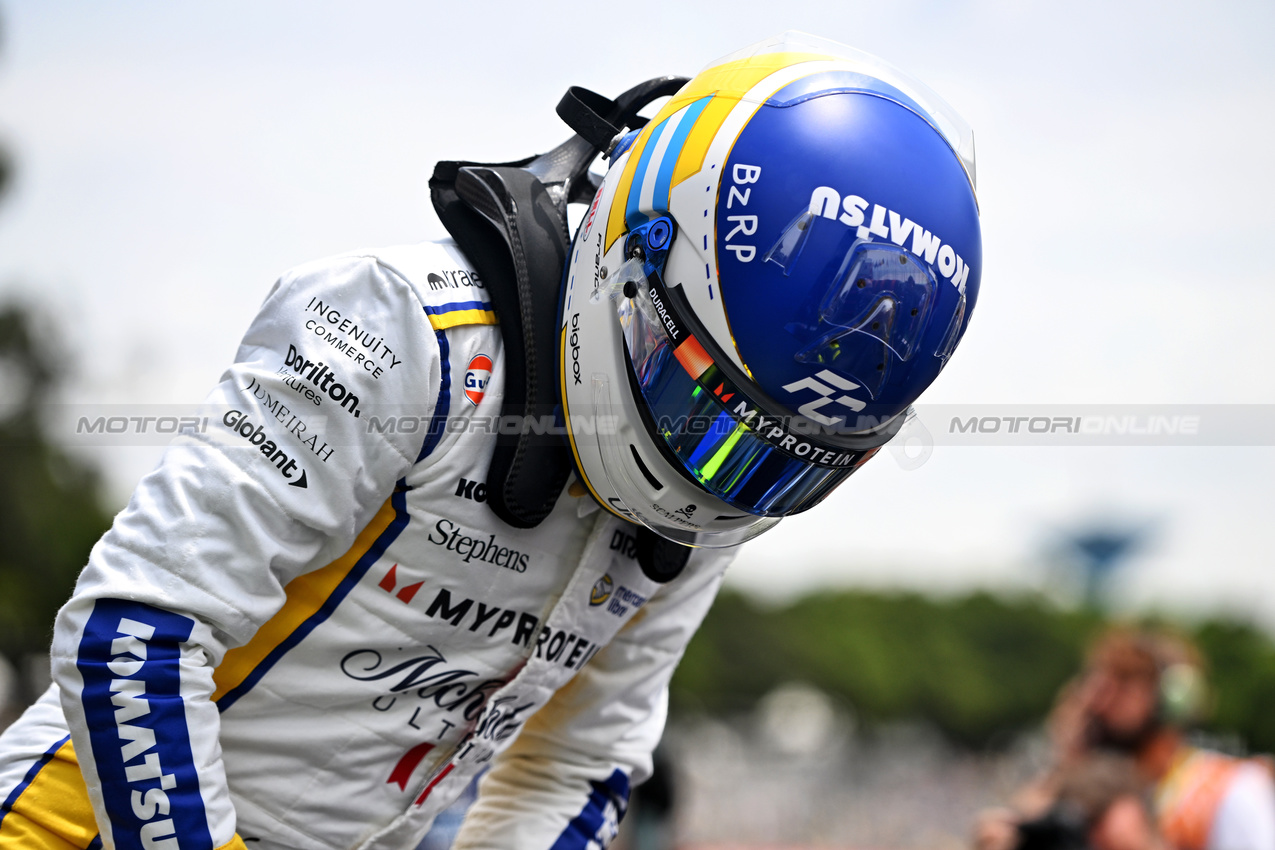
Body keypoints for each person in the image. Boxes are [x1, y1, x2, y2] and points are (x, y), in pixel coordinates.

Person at [0, 32, 981, 850]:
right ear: (635, 250)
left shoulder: (712, 499)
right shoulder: (392, 327)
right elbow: (134, 631)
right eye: (700, 404)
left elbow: (578, 763)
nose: (706, 474)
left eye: (770, 459)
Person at [974, 628, 1275, 850]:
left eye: (1122, 688)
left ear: (1170, 703)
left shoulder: (1226, 791)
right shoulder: (1080, 787)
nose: (1098, 704)